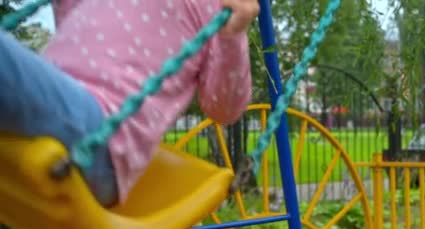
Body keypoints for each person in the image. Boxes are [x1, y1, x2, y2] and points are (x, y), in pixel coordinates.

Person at [0, 0, 259, 207]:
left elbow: (225, 109)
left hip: (99, 135)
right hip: (57, 99)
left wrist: (233, 36)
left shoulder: (219, 5)